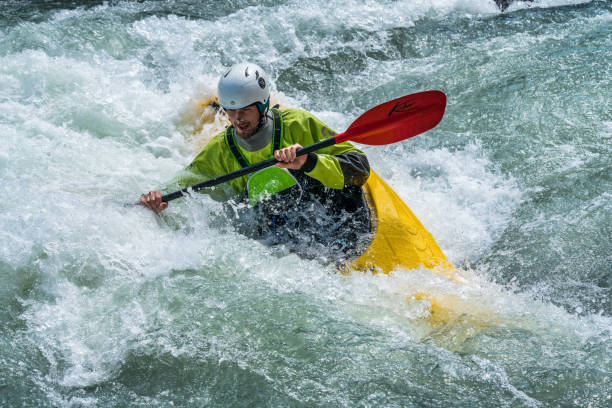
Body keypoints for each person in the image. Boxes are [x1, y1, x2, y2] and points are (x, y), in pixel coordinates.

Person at [140, 62, 372, 261]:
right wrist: (158, 199)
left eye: (245, 110)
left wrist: (309, 161)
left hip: (336, 216)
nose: (237, 119)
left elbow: (359, 168)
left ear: (262, 106)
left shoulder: (297, 124)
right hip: (286, 229)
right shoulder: (220, 151)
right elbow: (185, 186)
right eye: (230, 111)